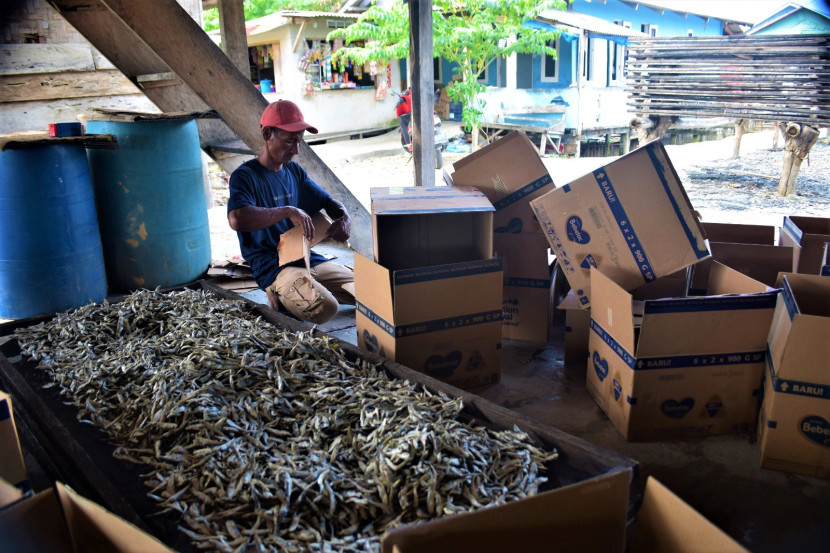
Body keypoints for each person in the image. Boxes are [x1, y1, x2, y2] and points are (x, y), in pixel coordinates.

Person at [227, 99, 354, 324]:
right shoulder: (245, 176)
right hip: (271, 266)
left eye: (299, 142)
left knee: (373, 291)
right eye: (289, 142)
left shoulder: (294, 172)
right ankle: (278, 290)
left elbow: (329, 202)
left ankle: (305, 288)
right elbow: (237, 218)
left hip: (305, 257)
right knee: (325, 308)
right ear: (267, 134)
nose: (295, 150)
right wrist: (286, 211)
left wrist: (344, 218)